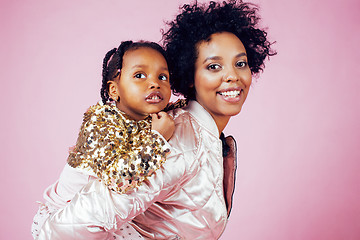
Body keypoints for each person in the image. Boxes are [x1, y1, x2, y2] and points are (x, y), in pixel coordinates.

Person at [34, 1, 276, 239]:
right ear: (189, 76)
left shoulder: (200, 132)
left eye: (240, 63)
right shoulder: (177, 140)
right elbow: (62, 230)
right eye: (214, 66)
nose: (232, 75)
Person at [31, 40, 177, 239]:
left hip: (105, 216)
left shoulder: (147, 117)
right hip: (64, 219)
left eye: (163, 76)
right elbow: (120, 179)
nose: (154, 83)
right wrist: (158, 140)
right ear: (114, 90)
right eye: (139, 75)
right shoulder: (101, 121)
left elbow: (182, 112)